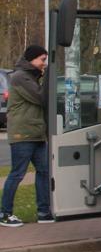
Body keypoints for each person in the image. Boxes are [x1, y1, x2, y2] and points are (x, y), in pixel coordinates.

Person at [0, 44, 54, 227]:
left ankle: (44, 212)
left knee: (44, 172)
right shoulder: (20, 77)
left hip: (36, 133)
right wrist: (49, 77)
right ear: (31, 59)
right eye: (42, 60)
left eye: (46, 60)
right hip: (23, 134)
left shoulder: (30, 76)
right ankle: (5, 214)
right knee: (17, 174)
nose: (44, 64)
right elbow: (41, 98)